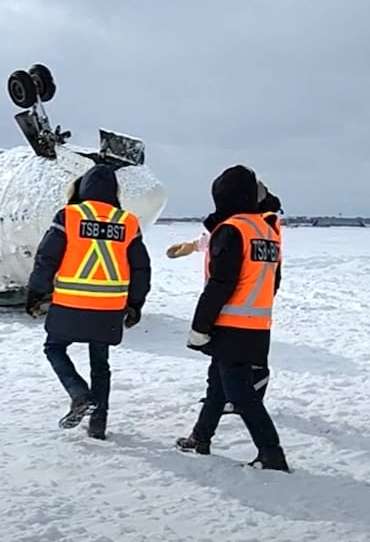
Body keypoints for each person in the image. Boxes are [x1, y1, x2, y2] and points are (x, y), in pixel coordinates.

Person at [25, 164, 152, 440]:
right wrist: (135, 304)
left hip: (70, 304)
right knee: (100, 364)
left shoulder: (70, 216)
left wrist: (36, 293)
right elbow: (141, 267)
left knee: (54, 348)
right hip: (109, 308)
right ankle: (98, 426)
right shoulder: (127, 222)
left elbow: (47, 258)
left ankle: (79, 394)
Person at [175, 165, 289, 471]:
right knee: (218, 383)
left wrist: (200, 326)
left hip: (230, 323)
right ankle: (201, 436)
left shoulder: (232, 229)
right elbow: (274, 280)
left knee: (241, 394)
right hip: (257, 323)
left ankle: (271, 453)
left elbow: (220, 283)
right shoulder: (266, 230)